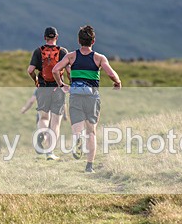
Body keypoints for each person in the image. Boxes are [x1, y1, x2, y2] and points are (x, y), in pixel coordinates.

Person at [52, 25, 121, 173]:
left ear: (78, 40)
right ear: (93, 41)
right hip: (92, 97)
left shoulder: (71, 56)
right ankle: (89, 166)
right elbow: (111, 73)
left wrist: (62, 84)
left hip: (76, 96)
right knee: (91, 132)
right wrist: (117, 82)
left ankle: (77, 138)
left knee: (77, 129)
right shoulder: (99, 58)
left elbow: (55, 70)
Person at [27, 27, 70, 160]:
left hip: (42, 88)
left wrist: (36, 80)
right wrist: (69, 84)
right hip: (58, 88)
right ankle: (50, 153)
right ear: (57, 37)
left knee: (43, 117)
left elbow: (30, 70)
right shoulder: (63, 52)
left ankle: (41, 134)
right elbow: (69, 71)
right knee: (55, 122)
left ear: (45, 37)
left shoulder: (38, 51)